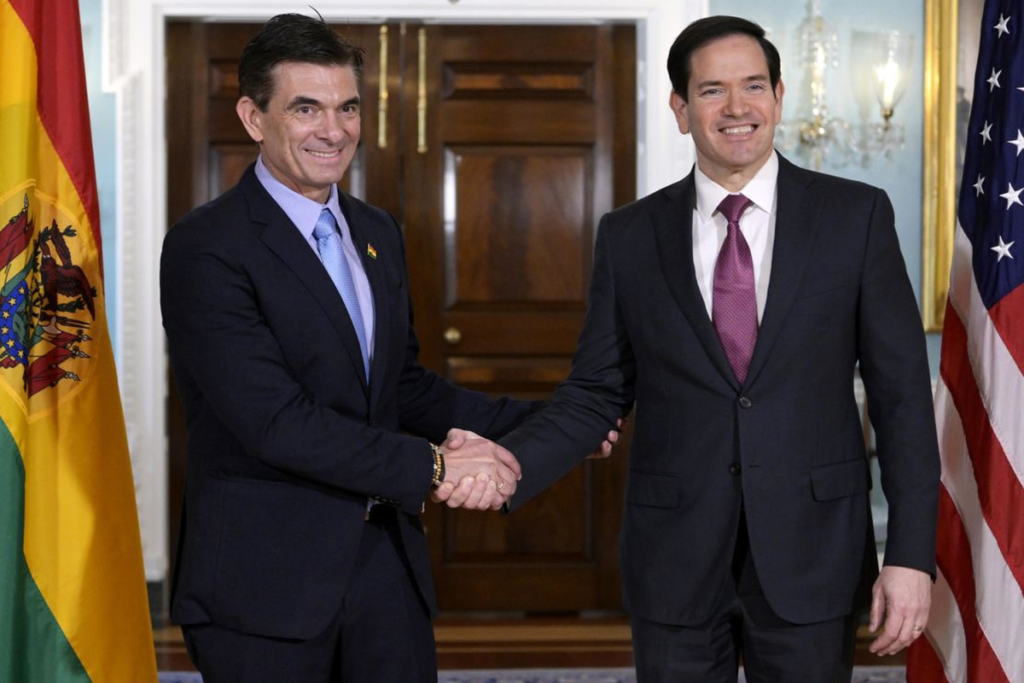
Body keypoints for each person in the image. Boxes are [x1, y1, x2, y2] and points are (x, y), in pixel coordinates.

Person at [438, 15, 940, 682]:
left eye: (753, 86)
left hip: (814, 550)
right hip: (673, 556)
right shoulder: (628, 235)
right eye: (711, 90)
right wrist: (510, 463)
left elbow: (902, 399)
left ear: (779, 97)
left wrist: (910, 554)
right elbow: (596, 391)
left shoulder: (856, 216)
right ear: (680, 109)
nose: (737, 108)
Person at [160, 13, 619, 682]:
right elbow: (274, 420)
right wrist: (437, 467)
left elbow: (401, 386)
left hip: (385, 571)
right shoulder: (207, 246)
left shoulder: (376, 231)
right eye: (306, 108)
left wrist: (550, 426)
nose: (334, 129)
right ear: (253, 117)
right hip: (265, 583)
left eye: (347, 107)